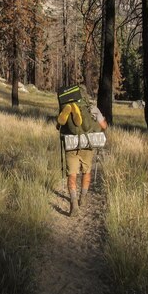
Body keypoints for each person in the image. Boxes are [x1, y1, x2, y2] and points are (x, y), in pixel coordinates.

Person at [57, 87, 107, 217]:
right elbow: (104, 126)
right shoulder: (93, 109)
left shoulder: (64, 105)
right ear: (85, 96)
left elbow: (59, 126)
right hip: (87, 145)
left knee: (72, 174)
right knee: (86, 172)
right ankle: (83, 198)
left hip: (71, 145)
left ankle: (73, 204)